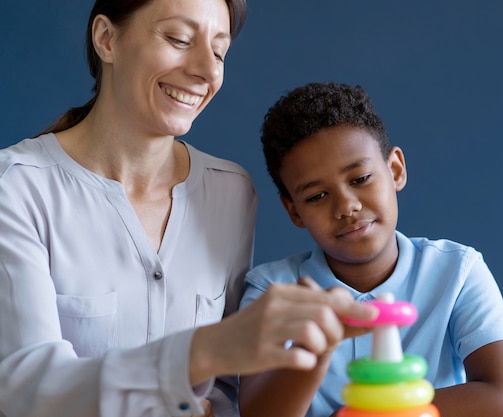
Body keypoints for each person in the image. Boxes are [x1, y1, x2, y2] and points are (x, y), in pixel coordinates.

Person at [0, 3, 377, 417]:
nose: (206, 70)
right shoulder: (15, 187)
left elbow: (228, 391)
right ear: (107, 39)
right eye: (179, 39)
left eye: (219, 52)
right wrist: (206, 349)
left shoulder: (231, 191)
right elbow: (22, 392)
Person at [238, 82, 503, 417]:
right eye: (317, 196)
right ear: (294, 211)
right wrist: (312, 349)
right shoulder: (273, 292)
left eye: (360, 179)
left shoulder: (458, 271)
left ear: (395, 170)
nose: (347, 206)